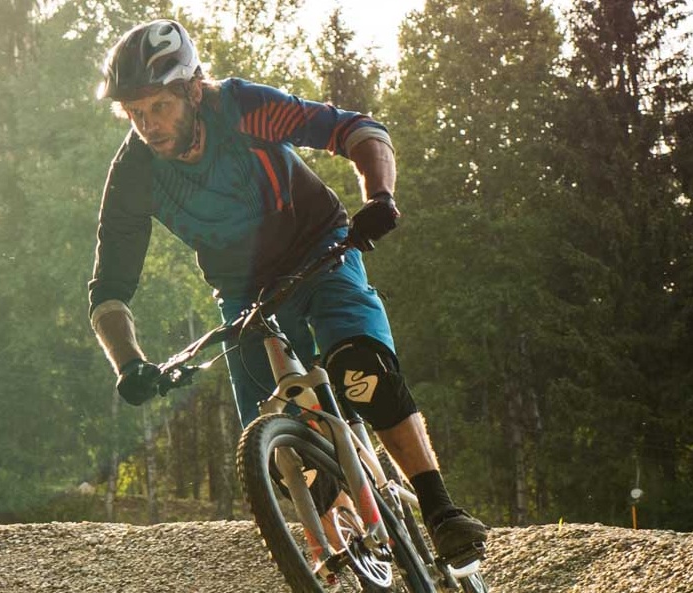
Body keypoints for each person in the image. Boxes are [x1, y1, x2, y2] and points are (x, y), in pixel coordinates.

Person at [84, 19, 488, 565]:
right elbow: (109, 289)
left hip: (321, 250)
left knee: (361, 373)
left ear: (193, 91)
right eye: (136, 112)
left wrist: (380, 196)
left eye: (159, 107)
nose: (148, 125)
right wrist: (128, 363)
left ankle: (441, 513)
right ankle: (343, 551)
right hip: (243, 293)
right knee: (277, 451)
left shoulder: (243, 107)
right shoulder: (134, 172)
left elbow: (357, 130)